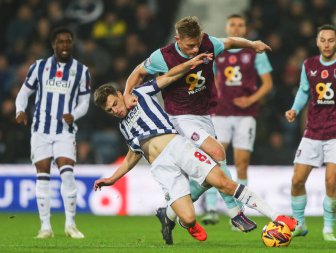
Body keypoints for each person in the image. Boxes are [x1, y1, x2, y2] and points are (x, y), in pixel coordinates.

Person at [93, 53, 297, 244]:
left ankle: (277, 217)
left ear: (120, 94)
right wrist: (112, 178)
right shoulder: (123, 127)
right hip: (162, 168)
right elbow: (132, 156)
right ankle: (172, 216)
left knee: (223, 181)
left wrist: (191, 63)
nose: (115, 110)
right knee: (189, 219)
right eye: (109, 110)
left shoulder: (140, 93)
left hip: (178, 146)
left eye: (114, 103)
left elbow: (169, 76)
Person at [123, 16, 271, 230]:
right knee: (218, 153)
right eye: (189, 46)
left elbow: (230, 42)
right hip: (179, 117)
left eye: (197, 44)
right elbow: (138, 72)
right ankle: (235, 214)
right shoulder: (163, 56)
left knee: (213, 168)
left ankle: (169, 212)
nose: (194, 49)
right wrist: (127, 93)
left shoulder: (208, 43)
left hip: (204, 114)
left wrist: (252, 44)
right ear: (178, 40)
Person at [285, 24, 336, 241]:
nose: (326, 44)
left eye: (331, 40)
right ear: (317, 41)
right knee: (296, 181)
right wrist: (295, 109)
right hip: (313, 130)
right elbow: (305, 91)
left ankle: (328, 228)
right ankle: (300, 224)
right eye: (322, 40)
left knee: (331, 180)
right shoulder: (308, 65)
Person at [15, 27, 91, 239]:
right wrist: (20, 110)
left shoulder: (81, 71)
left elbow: (85, 102)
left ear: (72, 44)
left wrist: (74, 115)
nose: (64, 45)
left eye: (68, 41)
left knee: (67, 173)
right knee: (43, 176)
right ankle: (45, 227)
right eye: (60, 41)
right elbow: (24, 93)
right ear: (53, 44)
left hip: (65, 131)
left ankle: (70, 225)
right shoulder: (39, 67)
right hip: (40, 130)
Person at [206, 14, 273, 224]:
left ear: (245, 29)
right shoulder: (218, 52)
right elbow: (212, 80)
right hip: (221, 113)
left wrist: (250, 99)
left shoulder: (255, 52)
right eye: (232, 25)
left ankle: (240, 211)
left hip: (246, 115)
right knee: (213, 160)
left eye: (240, 25)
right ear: (227, 28)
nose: (236, 28)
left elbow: (268, 84)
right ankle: (210, 210)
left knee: (242, 163)